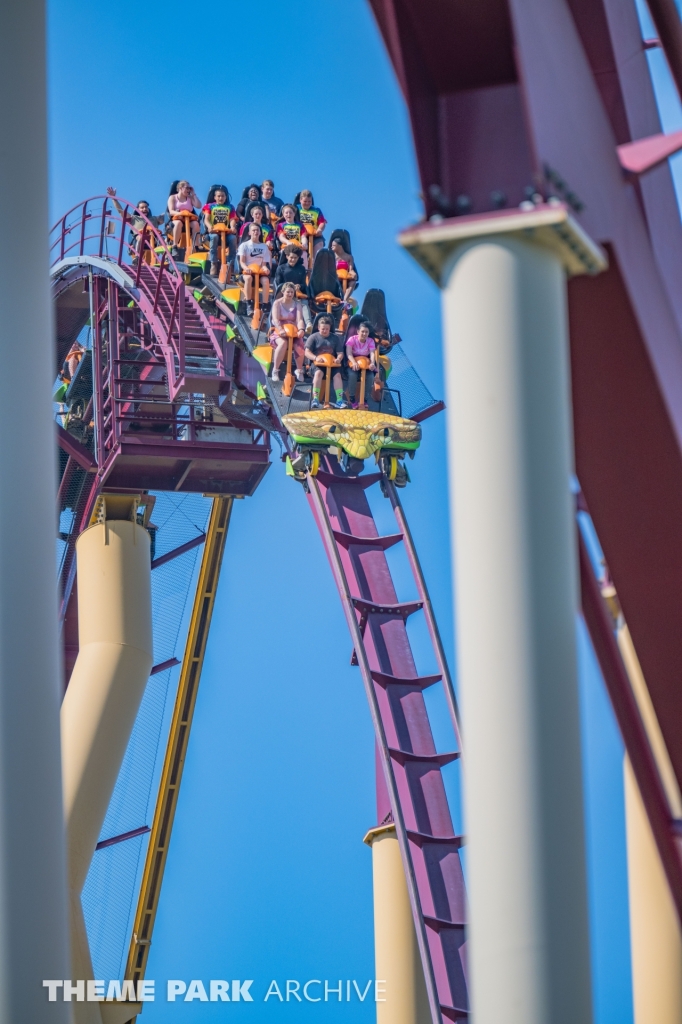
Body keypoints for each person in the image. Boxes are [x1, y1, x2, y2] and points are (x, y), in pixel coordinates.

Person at [305, 316, 347, 409]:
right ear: (319, 327)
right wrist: (315, 358)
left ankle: (339, 400)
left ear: (329, 328)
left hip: (332, 363)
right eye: (323, 329)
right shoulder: (313, 337)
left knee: (338, 375)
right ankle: (315, 399)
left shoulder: (335, 338)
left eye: (327, 329)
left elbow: (340, 353)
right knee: (318, 373)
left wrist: (338, 359)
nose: (325, 331)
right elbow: (307, 352)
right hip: (318, 364)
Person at [269, 283, 306, 382]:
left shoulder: (297, 304)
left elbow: (299, 320)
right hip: (280, 330)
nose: (290, 294)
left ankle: (299, 370)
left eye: (292, 292)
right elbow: (275, 320)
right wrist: (280, 329)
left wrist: (301, 329)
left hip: (293, 331)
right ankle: (275, 370)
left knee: (300, 344)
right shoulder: (277, 303)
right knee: (283, 343)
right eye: (288, 292)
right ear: (283, 292)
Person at [202, 185, 238, 276]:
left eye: (222, 196)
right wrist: (209, 226)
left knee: (233, 238)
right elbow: (206, 219)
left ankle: (230, 264)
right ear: (215, 197)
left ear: (226, 197)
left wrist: (232, 227)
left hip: (226, 232)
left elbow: (232, 219)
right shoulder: (210, 206)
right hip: (214, 231)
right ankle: (213, 263)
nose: (221, 198)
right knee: (214, 237)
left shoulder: (230, 207)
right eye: (218, 196)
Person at [274, 246, 312, 331]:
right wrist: (289, 286)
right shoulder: (281, 268)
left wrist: (299, 286)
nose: (293, 260)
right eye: (291, 257)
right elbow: (279, 284)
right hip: (285, 294)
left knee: (304, 303)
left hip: (297, 295)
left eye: (295, 258)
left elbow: (303, 284)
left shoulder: (301, 269)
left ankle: (308, 324)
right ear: (287, 256)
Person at [237, 221, 271, 313]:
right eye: (253, 230)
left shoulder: (264, 247)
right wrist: (246, 268)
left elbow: (264, 264)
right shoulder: (244, 245)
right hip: (248, 272)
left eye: (257, 230)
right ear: (249, 233)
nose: (255, 232)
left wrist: (265, 269)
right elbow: (242, 262)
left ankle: (265, 304)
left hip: (259, 272)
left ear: (260, 233)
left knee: (266, 280)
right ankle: (249, 303)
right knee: (248, 278)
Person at [346, 321, 377, 407]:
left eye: (366, 332)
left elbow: (372, 353)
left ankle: (365, 399)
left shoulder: (370, 341)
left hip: (365, 363)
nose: (364, 334)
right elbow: (348, 353)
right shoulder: (352, 339)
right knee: (352, 375)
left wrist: (372, 363)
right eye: (362, 331)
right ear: (358, 331)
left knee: (370, 376)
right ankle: (352, 397)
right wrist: (354, 362)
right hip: (353, 361)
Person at [167, 180, 202, 256]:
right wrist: (180, 213)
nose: (188, 190)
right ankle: (175, 246)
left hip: (189, 219)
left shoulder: (190, 198)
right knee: (178, 223)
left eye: (189, 188)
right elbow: (171, 211)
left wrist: (193, 194)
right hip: (177, 218)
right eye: (187, 188)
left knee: (196, 224)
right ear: (180, 188)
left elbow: (199, 206)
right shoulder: (173, 197)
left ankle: (196, 246)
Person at [296, 190, 327, 264]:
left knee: (319, 244)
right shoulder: (295, 209)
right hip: (299, 235)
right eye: (305, 201)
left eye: (309, 201)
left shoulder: (316, 210)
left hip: (314, 235)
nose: (307, 203)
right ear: (300, 200)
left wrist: (320, 229)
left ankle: (315, 265)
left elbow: (322, 222)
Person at [330, 236, 358, 300]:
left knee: (353, 283)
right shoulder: (332, 257)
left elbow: (350, 270)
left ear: (339, 246)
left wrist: (354, 274)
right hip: (335, 279)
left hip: (345, 279)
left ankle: (344, 300)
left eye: (333, 245)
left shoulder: (349, 257)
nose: (331, 247)